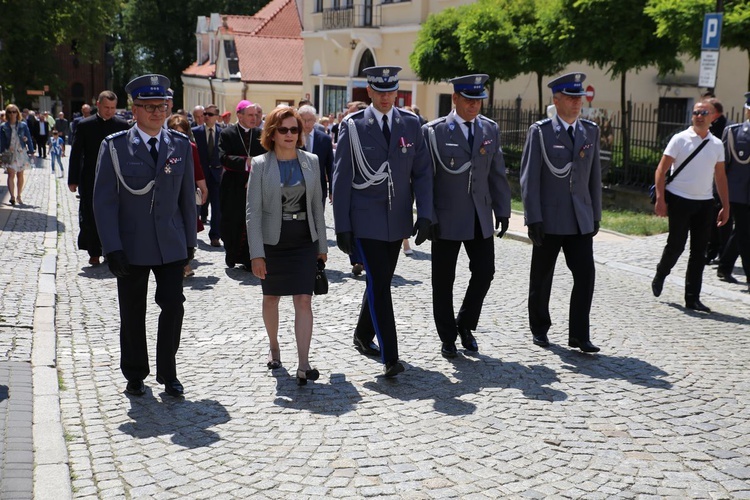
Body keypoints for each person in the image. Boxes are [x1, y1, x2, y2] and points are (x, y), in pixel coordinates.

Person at [93, 74, 197, 398]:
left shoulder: (179, 145)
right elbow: (104, 201)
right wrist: (111, 248)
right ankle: (135, 373)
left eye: (161, 106)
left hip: (170, 244)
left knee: (173, 307)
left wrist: (190, 244)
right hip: (131, 246)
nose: (156, 112)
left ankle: (168, 373)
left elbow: (186, 199)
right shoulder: (114, 146)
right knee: (132, 312)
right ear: (134, 109)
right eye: (148, 106)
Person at [332, 66, 433, 377]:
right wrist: (342, 226)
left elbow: (423, 172)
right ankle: (391, 356)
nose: (387, 96)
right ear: (370, 92)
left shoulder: (412, 123)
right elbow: (341, 177)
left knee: (380, 282)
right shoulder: (353, 126)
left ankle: (363, 335)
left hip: (397, 218)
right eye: (380, 91)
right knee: (380, 284)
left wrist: (426, 214)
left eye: (392, 90)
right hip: (365, 220)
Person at [423, 74, 511, 358]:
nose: (474, 106)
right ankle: (447, 336)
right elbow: (426, 179)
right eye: (469, 100)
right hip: (446, 216)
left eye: (479, 100)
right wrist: (428, 215)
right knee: (443, 279)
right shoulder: (434, 131)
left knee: (485, 272)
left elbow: (497, 172)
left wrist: (503, 209)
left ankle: (465, 324)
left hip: (479, 214)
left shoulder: (489, 129)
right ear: (455, 99)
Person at [520, 72, 602, 353]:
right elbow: (529, 178)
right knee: (542, 277)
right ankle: (540, 328)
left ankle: (579, 334)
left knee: (586, 275)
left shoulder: (589, 131)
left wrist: (596, 214)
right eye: (570, 97)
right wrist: (533, 217)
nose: (577, 102)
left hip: (580, 218)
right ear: (556, 100)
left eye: (579, 97)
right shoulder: (541, 132)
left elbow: (594, 177)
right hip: (549, 218)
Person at [246, 106, 328, 385]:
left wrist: (322, 245)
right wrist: (256, 254)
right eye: (283, 129)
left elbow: (317, 205)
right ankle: (274, 346)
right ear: (272, 133)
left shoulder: (312, 161)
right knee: (271, 298)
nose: (290, 134)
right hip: (273, 241)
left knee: (304, 299)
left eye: (295, 129)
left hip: (304, 239)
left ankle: (304, 363)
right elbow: (252, 212)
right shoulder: (260, 165)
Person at [651, 100, 729, 313]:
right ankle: (661, 272)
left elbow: (720, 177)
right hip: (679, 199)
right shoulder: (680, 139)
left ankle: (692, 297)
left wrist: (726, 206)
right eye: (696, 112)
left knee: (699, 252)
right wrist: (660, 198)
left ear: (713, 116)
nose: (699, 116)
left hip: (704, 203)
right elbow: (661, 170)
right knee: (676, 245)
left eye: (704, 112)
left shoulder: (716, 144)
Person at [68, 91, 129, 266]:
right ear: (99, 105)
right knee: (90, 215)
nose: (109, 111)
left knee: (115, 215)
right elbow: (76, 154)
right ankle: (94, 251)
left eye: (112, 108)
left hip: (116, 178)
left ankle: (111, 249)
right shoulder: (85, 125)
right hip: (90, 178)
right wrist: (73, 179)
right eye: (106, 107)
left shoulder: (122, 125)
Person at [218, 100, 266, 268]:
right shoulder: (227, 133)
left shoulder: (261, 134)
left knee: (252, 221)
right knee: (232, 221)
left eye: (256, 115)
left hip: (255, 185)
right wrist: (246, 162)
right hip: (232, 186)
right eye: (250, 115)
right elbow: (222, 157)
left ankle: (248, 258)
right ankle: (231, 254)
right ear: (239, 115)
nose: (255, 118)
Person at [715, 92, 750, 287]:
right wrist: (720, 195)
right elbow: (723, 166)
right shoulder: (734, 133)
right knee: (745, 234)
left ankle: (724, 266)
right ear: (746, 111)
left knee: (742, 232)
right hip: (738, 193)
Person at [168, 114, 209, 278]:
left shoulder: (190, 147)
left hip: (186, 193)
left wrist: (204, 188)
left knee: (186, 227)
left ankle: (185, 263)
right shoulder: (162, 146)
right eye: (175, 131)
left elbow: (197, 169)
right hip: (168, 194)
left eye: (182, 132)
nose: (179, 135)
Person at [192, 103, 223, 246]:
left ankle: (215, 236)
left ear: (217, 117)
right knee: (197, 205)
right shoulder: (196, 132)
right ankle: (192, 232)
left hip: (217, 175)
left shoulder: (223, 132)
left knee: (217, 206)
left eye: (210, 114)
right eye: (205, 114)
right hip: (200, 175)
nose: (206, 117)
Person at [0, 104, 35, 206]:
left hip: (20, 152)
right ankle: (12, 197)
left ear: (17, 113)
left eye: (14, 111)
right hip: (8, 152)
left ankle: (19, 195)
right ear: (7, 113)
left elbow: (29, 139)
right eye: (10, 112)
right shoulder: (3, 127)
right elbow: (1, 142)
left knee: (20, 175)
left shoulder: (23, 125)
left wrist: (32, 152)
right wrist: (1, 154)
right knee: (11, 174)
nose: (12, 114)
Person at [298, 105, 333, 204]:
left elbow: (330, 166)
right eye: (303, 120)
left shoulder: (325, 139)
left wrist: (331, 190)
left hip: (319, 188)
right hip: (297, 189)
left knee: (317, 218)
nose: (306, 123)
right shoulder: (293, 138)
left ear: (315, 120)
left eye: (309, 120)